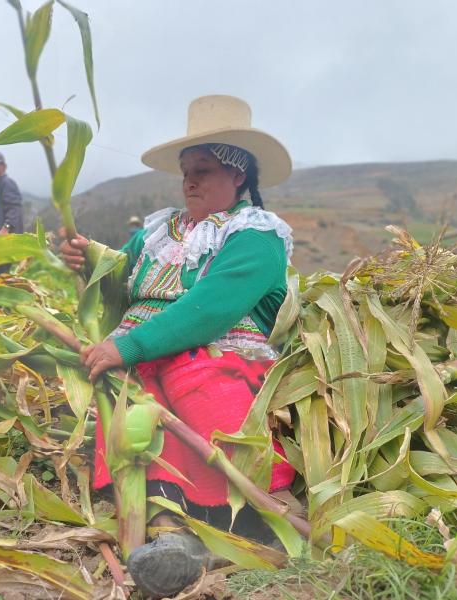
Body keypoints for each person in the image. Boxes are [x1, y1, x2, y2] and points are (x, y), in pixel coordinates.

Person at [60, 95, 296, 597]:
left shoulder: (255, 237)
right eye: (186, 172)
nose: (189, 182)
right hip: (146, 356)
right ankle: (169, 531)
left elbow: (210, 308)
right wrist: (88, 260)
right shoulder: (160, 231)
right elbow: (121, 277)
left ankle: (258, 514)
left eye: (203, 171)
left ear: (237, 174)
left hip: (215, 354)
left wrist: (132, 345)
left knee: (199, 382)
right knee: (133, 412)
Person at [0, 150, 24, 235]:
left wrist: (6, 227)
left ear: (4, 166)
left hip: (8, 238)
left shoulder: (7, 183)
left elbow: (14, 208)